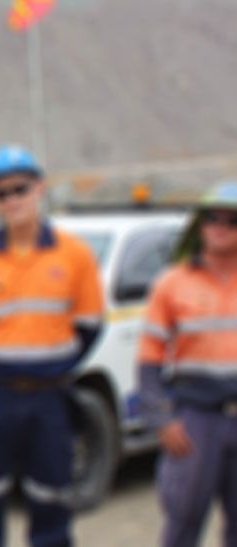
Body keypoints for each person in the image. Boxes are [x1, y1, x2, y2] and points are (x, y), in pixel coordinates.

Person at [0, 145, 104, 547]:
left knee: (50, 498)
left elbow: (89, 325)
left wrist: (50, 363)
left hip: (50, 399)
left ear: (40, 188)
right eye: (2, 194)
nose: (13, 200)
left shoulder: (74, 255)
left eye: (21, 189)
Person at [138, 181, 237, 547]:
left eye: (231, 219)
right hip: (196, 423)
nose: (220, 226)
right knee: (183, 524)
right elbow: (148, 361)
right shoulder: (172, 284)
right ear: (200, 224)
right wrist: (161, 420)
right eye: (212, 217)